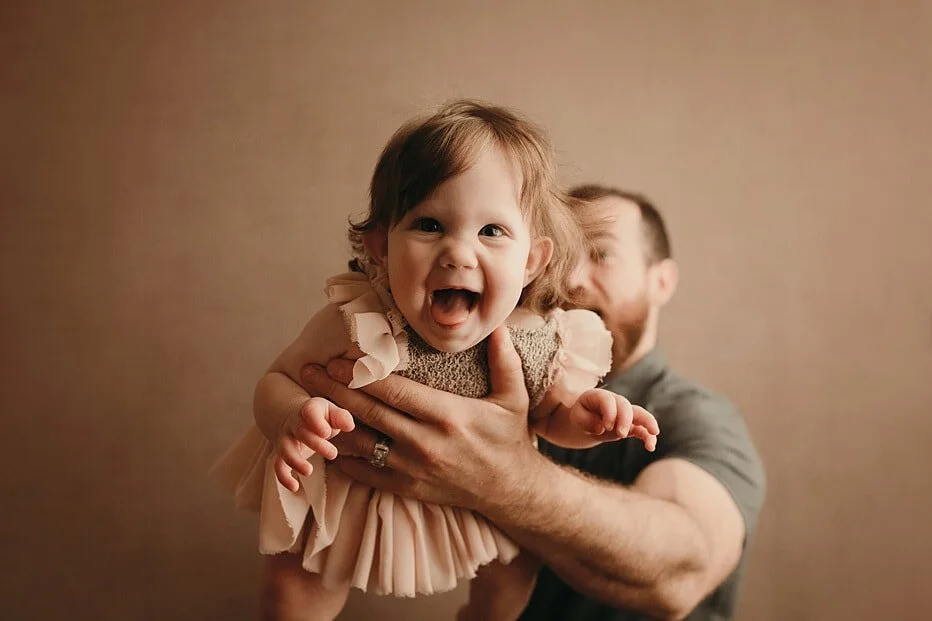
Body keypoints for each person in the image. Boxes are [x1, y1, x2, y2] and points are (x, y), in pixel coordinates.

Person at [210, 101, 659, 621]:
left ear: (531, 261)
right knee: (296, 586)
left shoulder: (536, 339)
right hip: (350, 489)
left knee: (518, 565)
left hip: (479, 495)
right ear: (380, 246)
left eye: (491, 231)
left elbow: (553, 417)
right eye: (429, 224)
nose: (458, 253)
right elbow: (277, 380)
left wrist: (591, 418)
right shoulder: (358, 321)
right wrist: (291, 416)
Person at [269, 184, 767, 620]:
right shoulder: (491, 349)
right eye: (564, 256)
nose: (570, 279)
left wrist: (504, 476)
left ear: (662, 280)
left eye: (601, 254)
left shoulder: (694, 415)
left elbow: (679, 571)